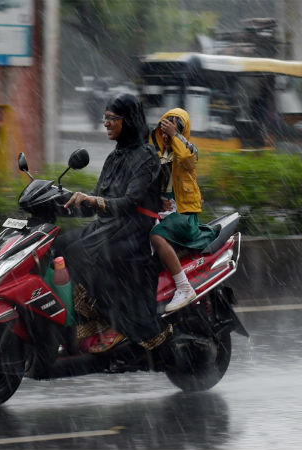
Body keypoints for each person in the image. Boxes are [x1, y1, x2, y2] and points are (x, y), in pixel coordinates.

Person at [56, 93, 171, 353]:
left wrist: (93, 201)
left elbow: (129, 202)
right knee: (57, 246)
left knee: (79, 254)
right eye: (105, 118)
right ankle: (70, 323)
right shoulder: (115, 157)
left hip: (135, 230)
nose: (106, 123)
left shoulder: (146, 156)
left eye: (112, 118)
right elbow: (97, 199)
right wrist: (58, 202)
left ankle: (111, 325)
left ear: (128, 120)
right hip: (110, 227)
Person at [149, 108, 217, 313]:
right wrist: (156, 199)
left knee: (156, 237)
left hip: (184, 214)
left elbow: (188, 161)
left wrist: (175, 137)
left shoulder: (189, 149)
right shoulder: (154, 153)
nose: (166, 135)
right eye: (164, 128)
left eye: (173, 129)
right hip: (159, 212)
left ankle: (184, 287)